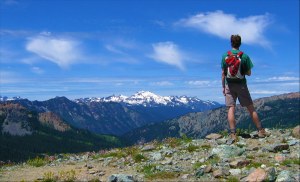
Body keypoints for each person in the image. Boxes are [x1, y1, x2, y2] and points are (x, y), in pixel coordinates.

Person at [221, 34, 269, 141]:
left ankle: (233, 134)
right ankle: (260, 130)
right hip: (241, 85)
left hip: (229, 85)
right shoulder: (244, 56)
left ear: (231, 42)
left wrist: (223, 87)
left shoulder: (225, 56)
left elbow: (223, 73)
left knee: (231, 108)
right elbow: (249, 73)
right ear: (240, 43)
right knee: (250, 108)